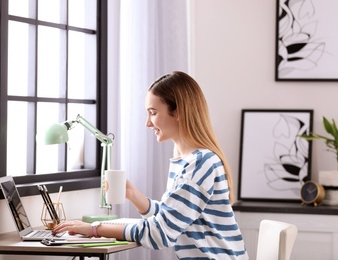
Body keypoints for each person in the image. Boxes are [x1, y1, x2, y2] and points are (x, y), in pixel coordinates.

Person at [52, 71, 248, 259]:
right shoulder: (186, 162)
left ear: (178, 111)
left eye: (153, 113)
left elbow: (160, 233)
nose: (147, 123)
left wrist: (94, 229)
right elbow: (170, 219)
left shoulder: (200, 163)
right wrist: (133, 195)